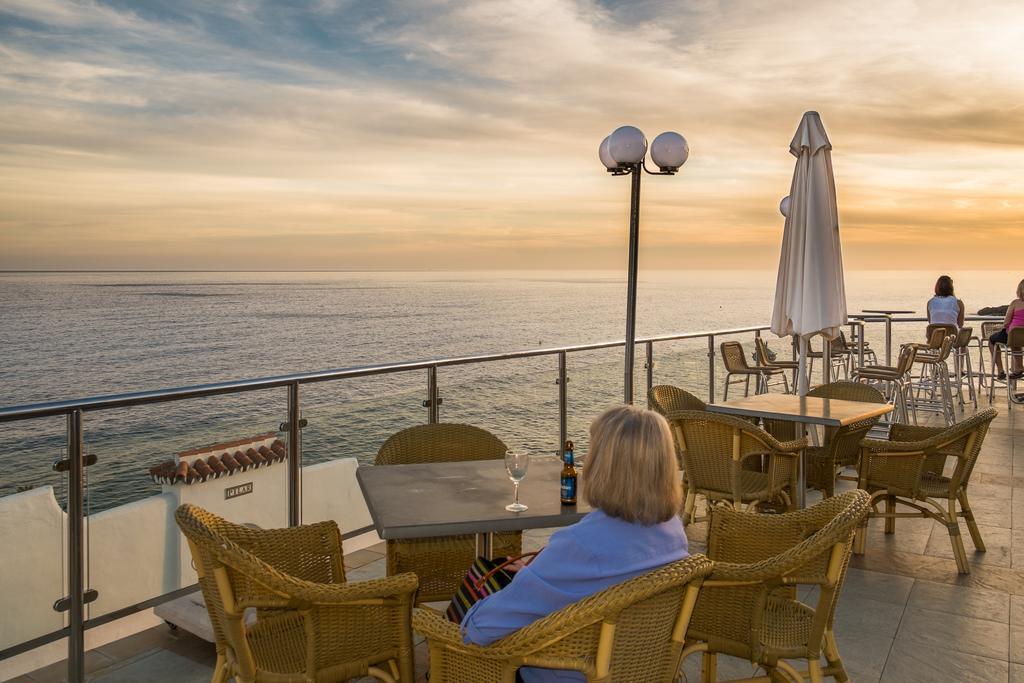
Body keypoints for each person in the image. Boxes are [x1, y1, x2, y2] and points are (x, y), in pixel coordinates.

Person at [461, 405, 687, 683]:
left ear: (603, 465)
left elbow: (480, 628)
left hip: (568, 673)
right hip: (636, 669)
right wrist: (540, 576)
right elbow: (602, 583)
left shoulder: (581, 545)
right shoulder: (674, 531)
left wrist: (528, 584)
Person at [989, 278, 1024, 379]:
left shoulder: (1015, 303)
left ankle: (1000, 370)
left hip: (1012, 335)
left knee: (992, 340)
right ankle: (1019, 367)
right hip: (1019, 337)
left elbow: (1006, 322)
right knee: (1017, 342)